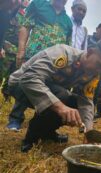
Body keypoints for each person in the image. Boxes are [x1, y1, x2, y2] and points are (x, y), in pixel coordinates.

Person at [8, 40, 101, 152]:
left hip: (48, 90)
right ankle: (31, 140)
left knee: (74, 103)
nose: (98, 71)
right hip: (20, 85)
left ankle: (47, 132)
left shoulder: (93, 74)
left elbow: (86, 101)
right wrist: (60, 107)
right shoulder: (62, 53)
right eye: (99, 65)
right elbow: (29, 78)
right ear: (89, 52)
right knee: (63, 96)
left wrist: (89, 131)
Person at [6, 0, 72, 131]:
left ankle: (39, 123)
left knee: (47, 90)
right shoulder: (38, 4)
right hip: (34, 56)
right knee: (26, 84)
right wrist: (21, 50)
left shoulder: (67, 21)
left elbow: (67, 45)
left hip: (55, 64)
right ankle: (15, 119)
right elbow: (25, 26)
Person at [0, 0, 30, 101]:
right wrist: (1, 47)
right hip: (6, 48)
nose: (27, 2)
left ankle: (6, 96)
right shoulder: (9, 10)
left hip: (17, 52)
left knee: (12, 76)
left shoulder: (26, 17)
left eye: (29, 0)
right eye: (25, 0)